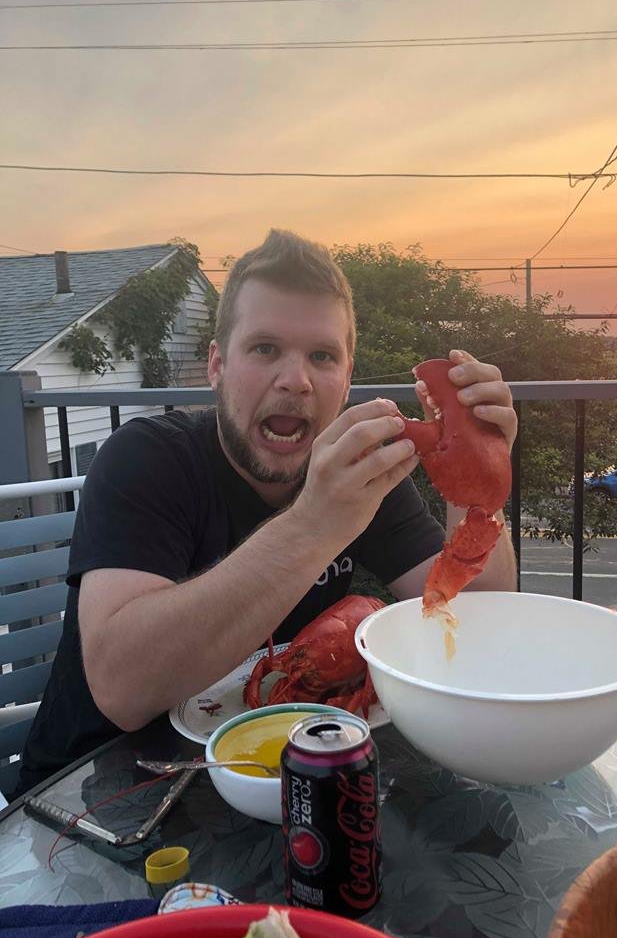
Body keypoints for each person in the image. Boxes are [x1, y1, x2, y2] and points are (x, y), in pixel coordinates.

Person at [17, 229, 517, 794]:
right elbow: (122, 688)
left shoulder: (361, 477)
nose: (295, 380)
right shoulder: (146, 458)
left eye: (322, 356)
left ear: (346, 377)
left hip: (281, 776)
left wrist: (478, 480)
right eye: (264, 348)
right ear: (216, 367)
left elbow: (477, 614)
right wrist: (313, 526)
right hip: (94, 789)